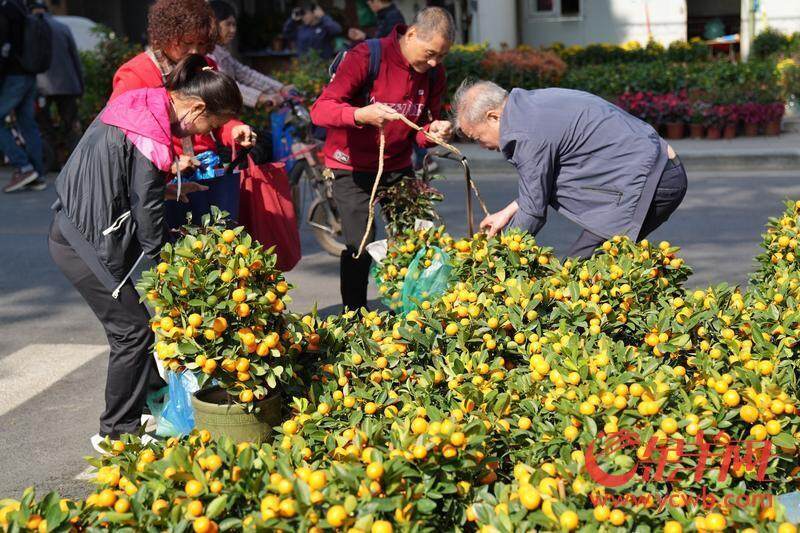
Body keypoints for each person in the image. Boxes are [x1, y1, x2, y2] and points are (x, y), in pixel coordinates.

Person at [49, 55, 252, 450]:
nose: (199, 134)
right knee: (132, 332)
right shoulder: (150, 126)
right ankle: (115, 432)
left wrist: (171, 183)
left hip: (76, 227)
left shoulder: (143, 105)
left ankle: (143, 407)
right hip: (84, 242)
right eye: (210, 125)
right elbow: (146, 206)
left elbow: (126, 170)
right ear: (196, 107)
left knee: (136, 325)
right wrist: (165, 262)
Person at [310, 7, 455, 310]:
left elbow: (421, 128)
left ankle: (413, 311)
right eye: (430, 53)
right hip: (350, 165)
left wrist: (434, 131)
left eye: (440, 57)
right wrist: (360, 114)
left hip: (398, 166)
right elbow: (321, 110)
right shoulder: (366, 56)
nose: (432, 63)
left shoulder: (433, 74)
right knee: (359, 245)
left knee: (416, 240)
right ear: (412, 34)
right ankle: (355, 319)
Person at [453, 81, 687, 258]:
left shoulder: (525, 134)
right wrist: (508, 212)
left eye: (478, 138)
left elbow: (533, 211)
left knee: (579, 277)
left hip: (652, 181)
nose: (482, 146)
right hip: (651, 170)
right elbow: (540, 181)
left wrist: (497, 258)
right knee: (589, 272)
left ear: (493, 117)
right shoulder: (527, 106)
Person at [111, 0, 256, 229]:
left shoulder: (204, 65)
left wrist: (233, 129)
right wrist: (169, 164)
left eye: (201, 44)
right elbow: (122, 139)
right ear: (165, 35)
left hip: (208, 174)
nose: (195, 52)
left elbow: (215, 115)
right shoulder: (136, 74)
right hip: (166, 184)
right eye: (187, 43)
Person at [208, 0, 293, 109]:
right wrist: (261, 97)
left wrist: (280, 88)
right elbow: (223, 87)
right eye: (228, 24)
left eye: (234, 24)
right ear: (213, 24)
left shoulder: (221, 52)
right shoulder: (208, 55)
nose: (233, 30)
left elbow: (246, 74)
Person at [0, 0, 46, 193]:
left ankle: (24, 167)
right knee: (27, 123)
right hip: (29, 73)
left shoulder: (5, 9)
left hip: (13, 76)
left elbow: (4, 48)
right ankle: (37, 174)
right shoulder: (21, 7)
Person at [32, 1, 84, 162]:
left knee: (45, 126)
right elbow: (75, 58)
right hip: (68, 85)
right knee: (70, 125)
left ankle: (52, 161)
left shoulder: (30, 28)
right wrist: (80, 86)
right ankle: (77, 162)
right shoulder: (63, 27)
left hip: (42, 86)